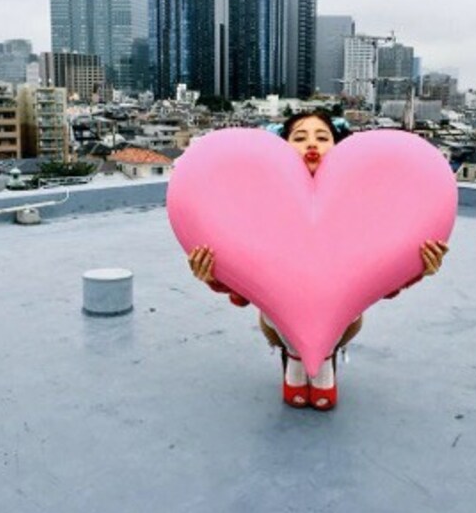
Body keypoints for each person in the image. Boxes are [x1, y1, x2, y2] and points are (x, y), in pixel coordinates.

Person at [188, 110, 449, 411]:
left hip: (342, 318)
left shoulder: (357, 204)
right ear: (281, 149)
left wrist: (417, 267)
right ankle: (300, 356)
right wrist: (213, 275)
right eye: (299, 138)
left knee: (338, 308)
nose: (311, 144)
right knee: (282, 307)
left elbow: (382, 278)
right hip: (278, 320)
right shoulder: (263, 204)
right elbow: (244, 290)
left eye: (323, 137)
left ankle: (317, 357)